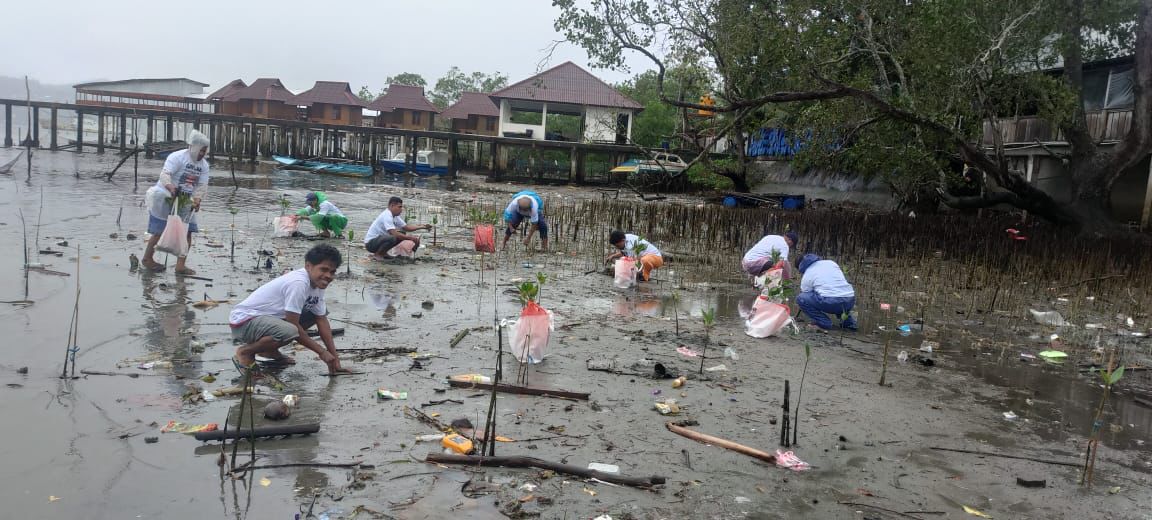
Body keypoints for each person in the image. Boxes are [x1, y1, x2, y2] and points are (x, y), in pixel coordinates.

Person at [229, 244, 345, 375]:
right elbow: (293, 325)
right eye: (323, 269)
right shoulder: (299, 283)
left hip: (268, 320)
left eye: (332, 272)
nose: (328, 276)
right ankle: (245, 352)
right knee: (290, 330)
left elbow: (321, 319)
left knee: (315, 313)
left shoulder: (317, 284)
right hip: (245, 322)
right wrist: (322, 352)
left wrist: (335, 358)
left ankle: (268, 350)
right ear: (308, 266)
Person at [141, 130, 211, 274]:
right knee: (159, 231)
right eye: (201, 150)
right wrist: (171, 188)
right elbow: (165, 175)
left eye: (205, 151)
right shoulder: (177, 157)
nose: (202, 154)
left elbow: (201, 186)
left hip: (185, 199)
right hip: (165, 195)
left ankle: (180, 265)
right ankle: (147, 259)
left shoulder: (204, 165)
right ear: (192, 147)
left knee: (189, 231)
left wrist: (197, 200)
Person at [796, 253, 857, 331]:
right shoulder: (830, 263)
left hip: (831, 302)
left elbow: (806, 293)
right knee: (839, 294)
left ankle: (823, 322)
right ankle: (849, 324)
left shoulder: (807, 274)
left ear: (800, 267)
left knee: (801, 298)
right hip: (850, 299)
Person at [364, 196, 432, 259]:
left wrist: (422, 226)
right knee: (393, 237)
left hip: (379, 241)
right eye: (399, 207)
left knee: (402, 233)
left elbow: (407, 228)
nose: (401, 209)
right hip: (370, 244)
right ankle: (378, 255)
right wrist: (412, 238)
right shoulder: (387, 215)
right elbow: (393, 233)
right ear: (392, 206)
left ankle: (383, 253)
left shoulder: (395, 216)